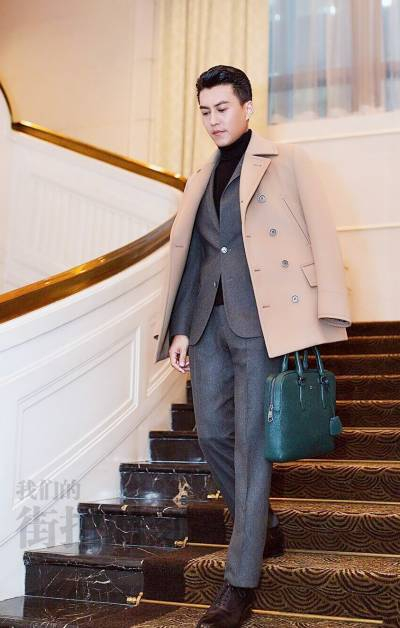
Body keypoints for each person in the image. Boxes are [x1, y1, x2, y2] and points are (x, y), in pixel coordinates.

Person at [154, 65, 351, 628]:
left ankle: (238, 585)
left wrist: (328, 307)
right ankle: (261, 525)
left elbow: (320, 231)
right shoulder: (200, 176)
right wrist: (181, 328)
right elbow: (195, 256)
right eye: (205, 111)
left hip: (265, 321)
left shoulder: (287, 162)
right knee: (212, 434)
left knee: (251, 446)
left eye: (222, 108)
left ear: (246, 107)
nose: (213, 120)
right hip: (208, 322)